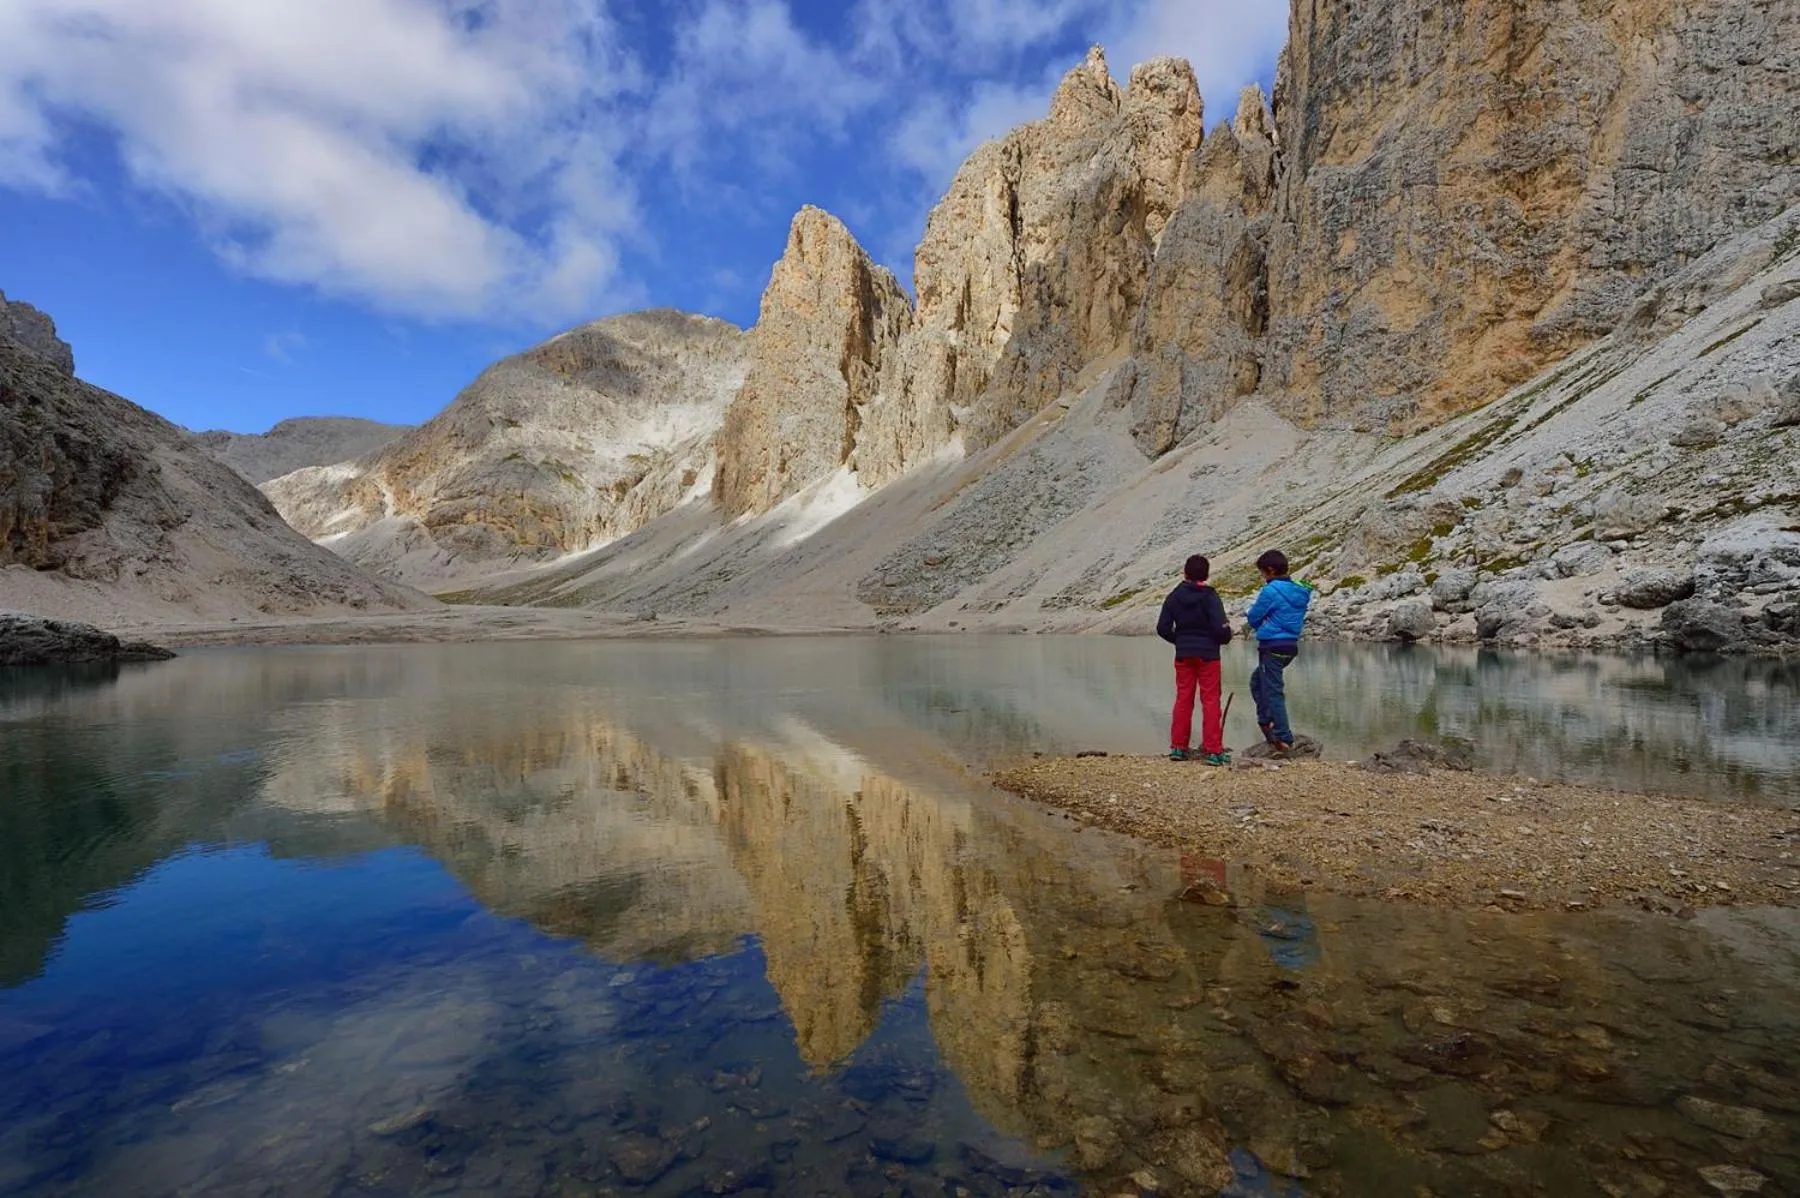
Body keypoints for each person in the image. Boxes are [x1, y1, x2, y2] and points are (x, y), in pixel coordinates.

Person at [1156, 554, 1234, 764]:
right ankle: (1214, 751)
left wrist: (1180, 640)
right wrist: (1224, 637)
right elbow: (1221, 628)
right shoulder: (1210, 596)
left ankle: (1178, 748)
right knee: (1210, 701)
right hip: (1208, 655)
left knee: (1183, 699)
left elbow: (1162, 628)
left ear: (1185, 572)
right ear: (1207, 574)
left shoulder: (1174, 596)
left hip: (1183, 655)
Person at [1245, 549, 1311, 752]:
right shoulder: (1300, 590)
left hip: (1271, 646)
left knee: (1272, 690)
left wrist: (1258, 622)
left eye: (1263, 573)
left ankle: (1283, 736)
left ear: (1271, 570)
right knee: (1258, 682)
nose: (1263, 577)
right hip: (1289, 646)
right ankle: (1266, 721)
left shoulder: (1271, 591)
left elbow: (1254, 618)